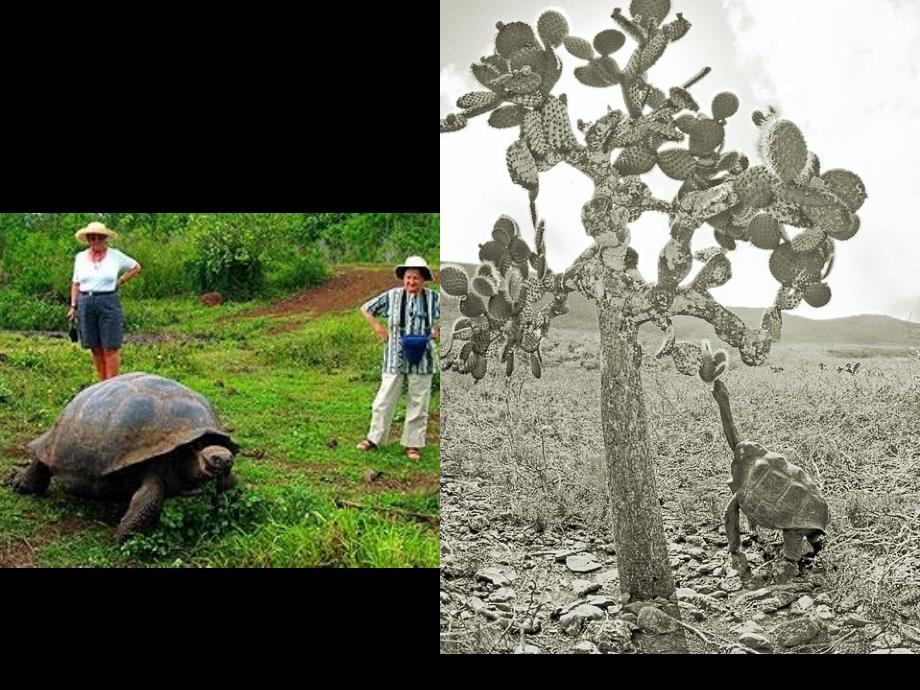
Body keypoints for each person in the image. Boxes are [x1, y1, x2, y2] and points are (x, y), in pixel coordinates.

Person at [356, 256, 439, 462]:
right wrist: (378, 329)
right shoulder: (392, 296)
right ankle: (374, 439)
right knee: (384, 398)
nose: (412, 282)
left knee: (419, 400)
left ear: (423, 280)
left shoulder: (434, 298)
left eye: (416, 278)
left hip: (423, 356)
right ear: (404, 278)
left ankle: (413, 444)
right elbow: (366, 309)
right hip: (394, 355)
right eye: (409, 277)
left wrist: (438, 328)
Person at [68, 221, 142, 381]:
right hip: (85, 301)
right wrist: (73, 306)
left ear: (105, 239)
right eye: (92, 238)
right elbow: (76, 283)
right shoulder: (80, 257)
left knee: (110, 346)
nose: (96, 241)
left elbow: (136, 267)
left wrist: (120, 281)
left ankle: (113, 385)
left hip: (108, 301)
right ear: (88, 240)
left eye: (99, 238)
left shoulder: (115, 255)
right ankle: (102, 384)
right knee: (94, 346)